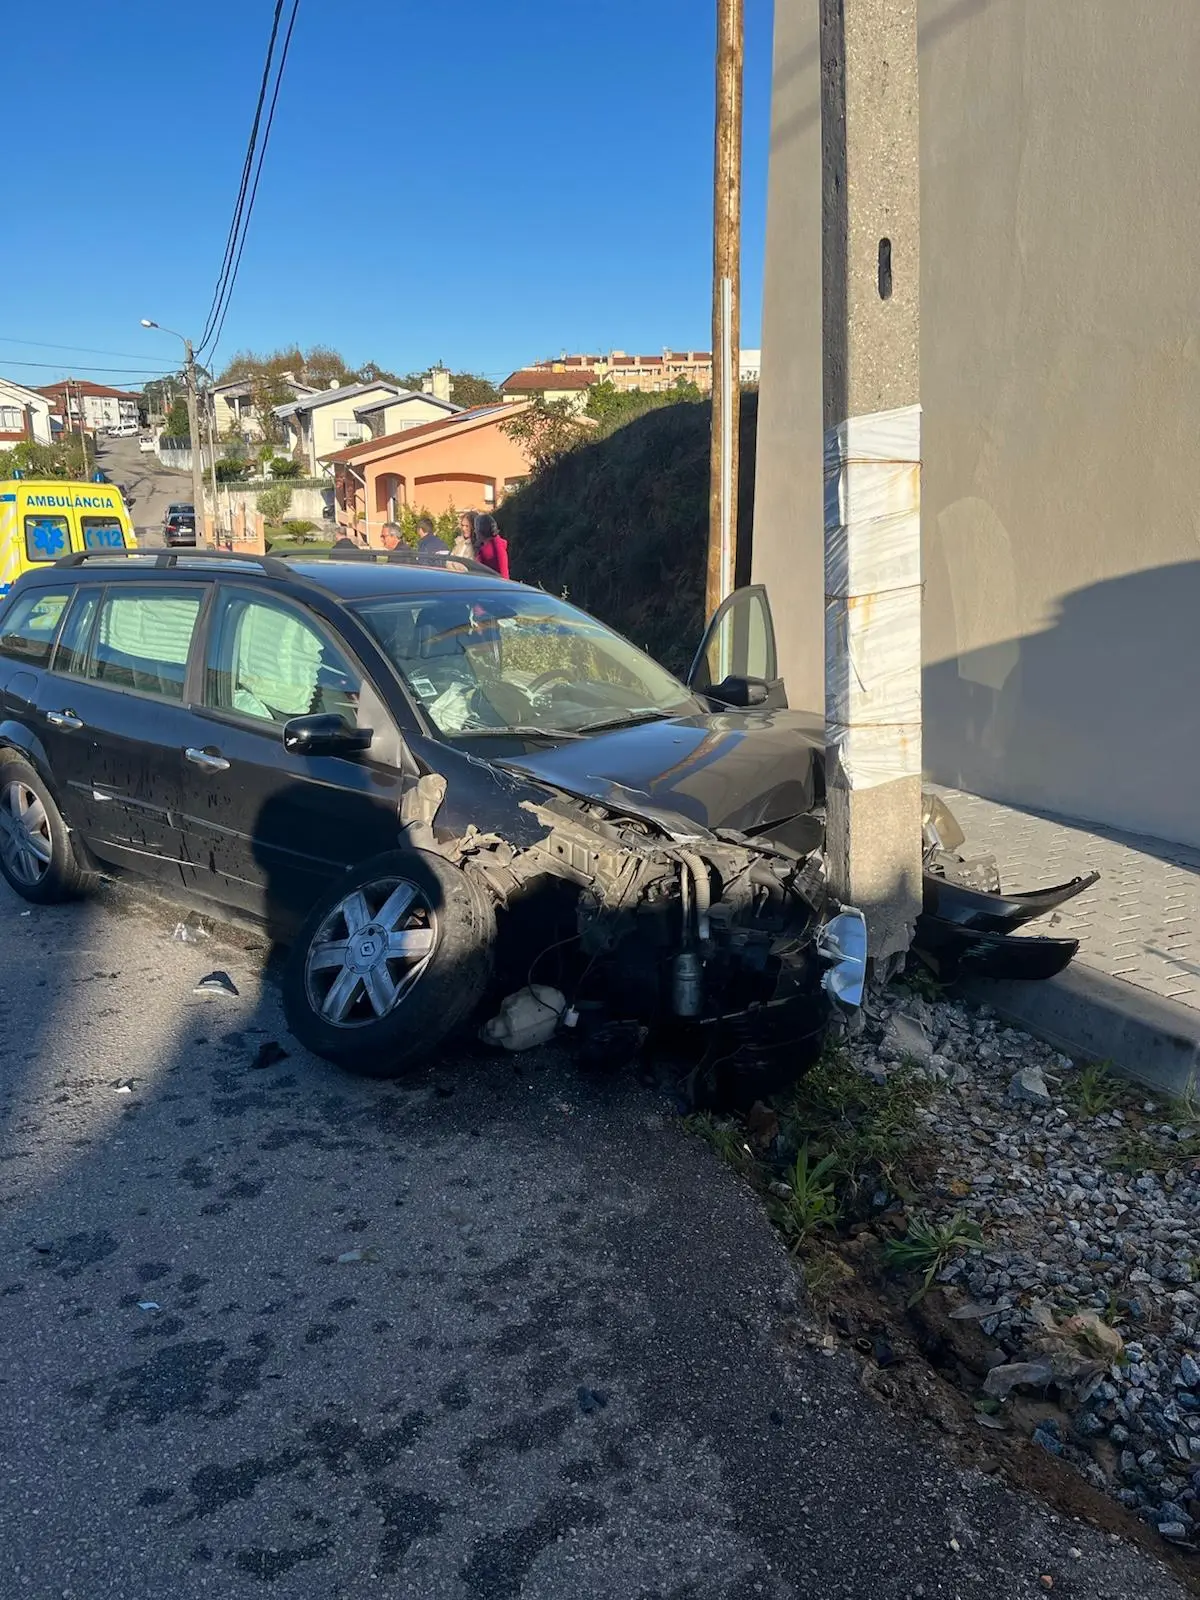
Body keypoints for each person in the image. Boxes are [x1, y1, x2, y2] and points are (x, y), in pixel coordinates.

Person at [472, 513, 510, 579]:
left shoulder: (496, 544)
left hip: (497, 585)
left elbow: (503, 571)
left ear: (481, 528)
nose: (475, 531)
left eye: (476, 528)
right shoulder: (481, 545)